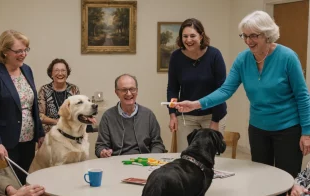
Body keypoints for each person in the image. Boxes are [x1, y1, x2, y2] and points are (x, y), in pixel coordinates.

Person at [175, 10, 310, 182]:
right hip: (258, 129)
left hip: (288, 129)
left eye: (253, 36)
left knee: (287, 180)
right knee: (261, 179)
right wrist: (196, 104)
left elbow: (303, 96)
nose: (248, 41)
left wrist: (307, 132)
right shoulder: (243, 59)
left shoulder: (287, 57)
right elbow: (225, 90)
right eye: (244, 36)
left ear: (267, 34)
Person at [0, 30, 45, 185]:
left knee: (24, 181)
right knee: (9, 185)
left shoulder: (26, 69)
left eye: (25, 50)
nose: (23, 54)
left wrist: (40, 133)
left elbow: (32, 105)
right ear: (5, 52)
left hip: (28, 139)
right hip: (6, 142)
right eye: (18, 51)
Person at [167, 18, 227, 152]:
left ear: (201, 35)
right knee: (186, 157)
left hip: (213, 114)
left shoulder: (214, 55)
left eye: (192, 36)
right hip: (186, 116)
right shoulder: (176, 57)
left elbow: (222, 90)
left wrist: (215, 121)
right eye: (185, 36)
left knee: (211, 157)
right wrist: (172, 115)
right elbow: (172, 88)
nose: (188, 40)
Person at [95, 74, 165, 158]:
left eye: (132, 89)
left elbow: (157, 144)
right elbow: (100, 146)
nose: (129, 94)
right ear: (117, 93)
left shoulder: (148, 115)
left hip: (144, 162)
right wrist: (103, 152)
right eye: (124, 90)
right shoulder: (108, 116)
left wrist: (152, 158)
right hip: (116, 163)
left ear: (137, 91)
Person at [38, 58, 95, 134]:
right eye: (56, 70)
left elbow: (79, 111)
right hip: (50, 133)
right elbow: (40, 115)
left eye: (63, 70)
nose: (60, 73)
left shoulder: (74, 89)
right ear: (51, 74)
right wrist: (57, 122)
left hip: (71, 133)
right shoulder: (44, 90)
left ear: (67, 73)